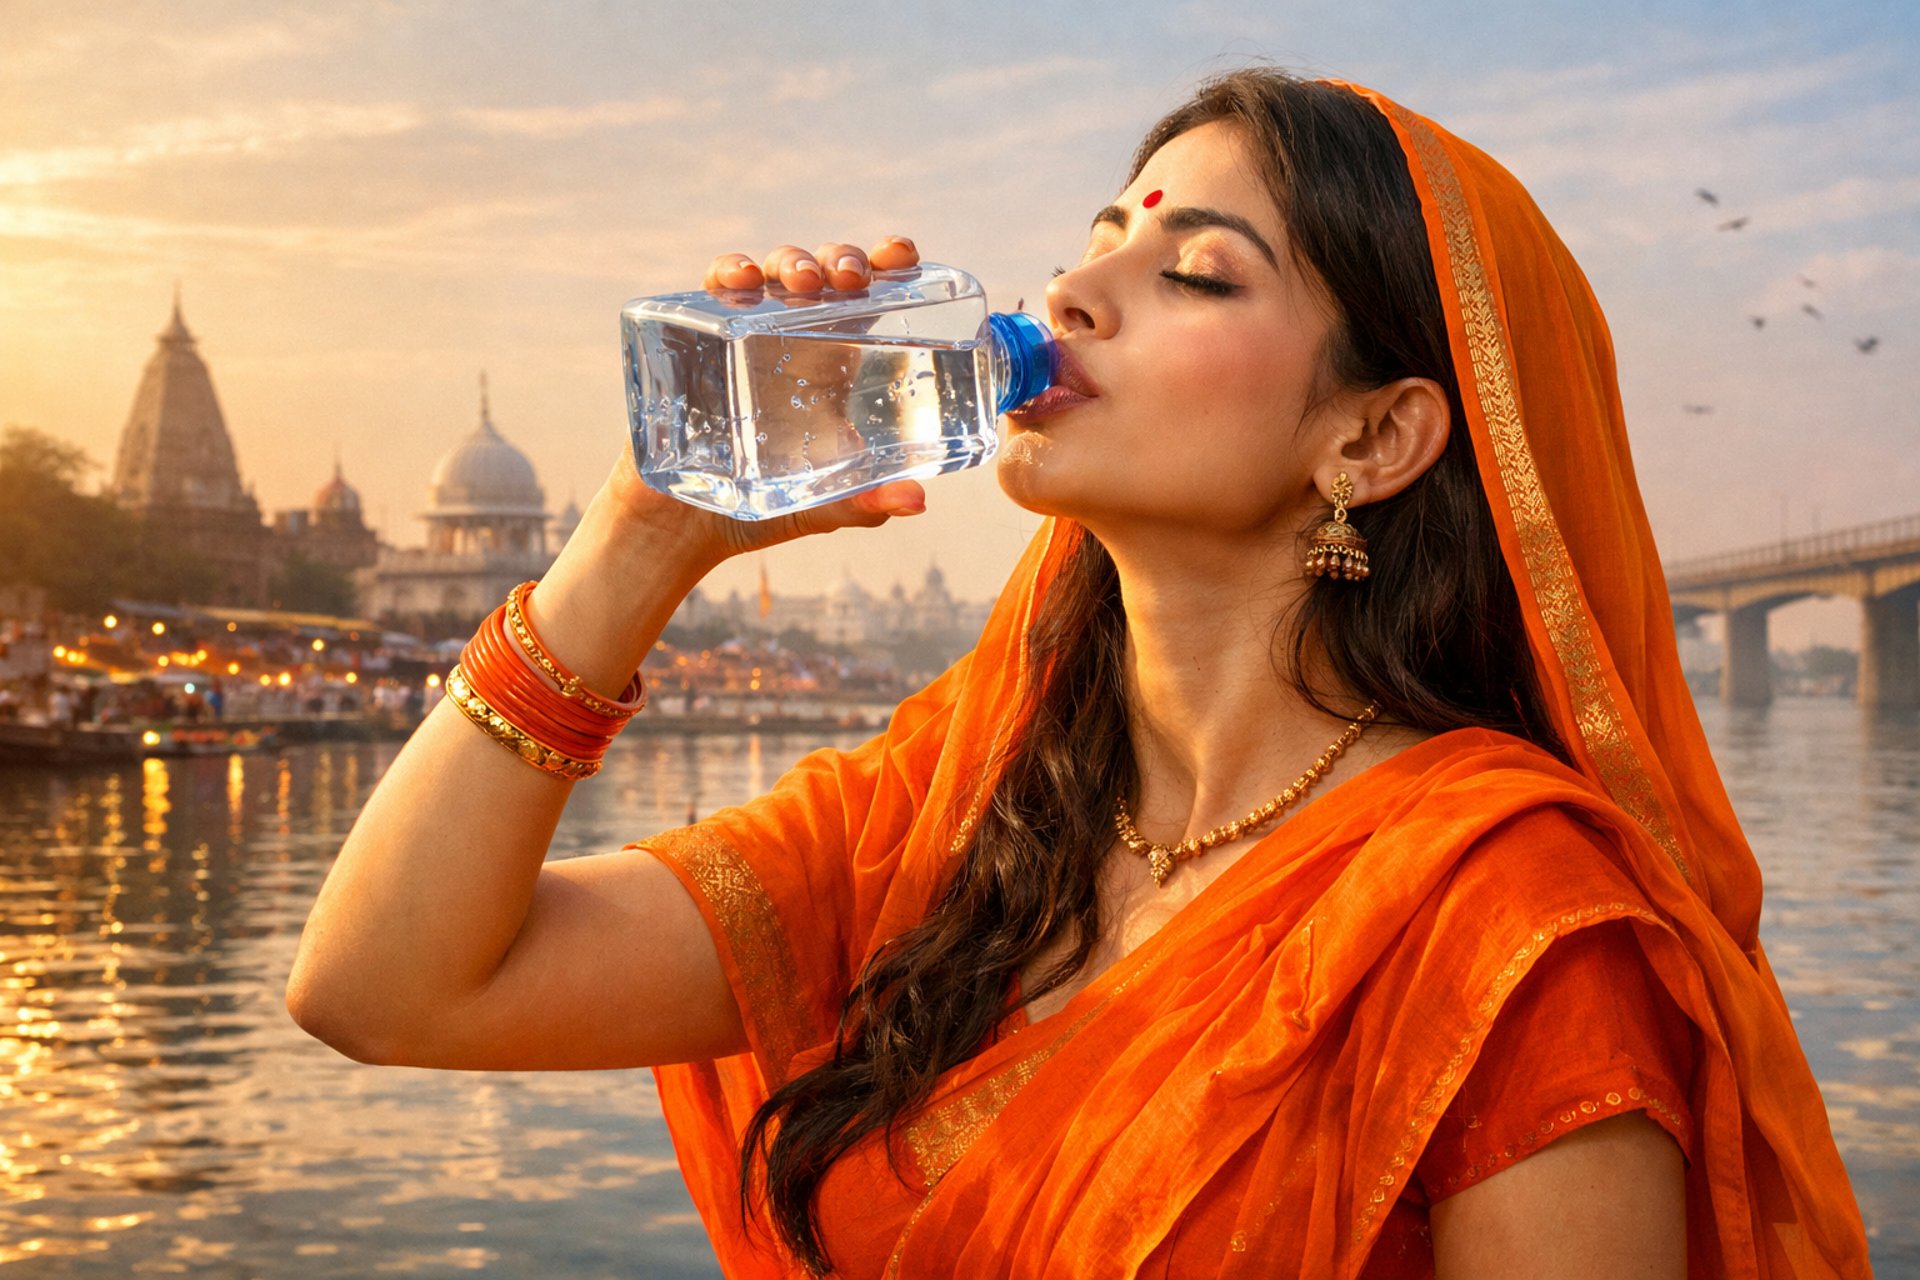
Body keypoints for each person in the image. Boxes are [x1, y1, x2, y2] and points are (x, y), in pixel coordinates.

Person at [286, 70, 1870, 1277]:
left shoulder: (1502, 922)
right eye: (1100, 237)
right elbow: (385, 989)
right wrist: (641, 538)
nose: (1070, 296)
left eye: (1196, 271)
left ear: (1371, 437)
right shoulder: (952, 819)